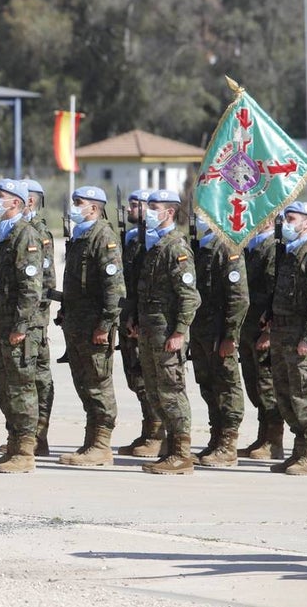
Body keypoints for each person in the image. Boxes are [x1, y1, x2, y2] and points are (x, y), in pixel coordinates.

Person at [127, 190, 201, 475]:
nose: (148, 211)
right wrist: (134, 318)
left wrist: (180, 331)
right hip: (150, 331)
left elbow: (188, 296)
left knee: (172, 392)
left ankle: (182, 454)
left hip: (168, 333)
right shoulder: (155, 245)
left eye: (154, 207)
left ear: (169, 212)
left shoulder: (175, 247)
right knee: (157, 392)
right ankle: (170, 449)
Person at [264, 201, 307, 475]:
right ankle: (299, 450)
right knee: (284, 394)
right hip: (282, 336)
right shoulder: (290, 252)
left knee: (304, 394)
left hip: (302, 340)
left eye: (291, 218)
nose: (285, 223)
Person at [59, 186, 124, 467]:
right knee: (84, 384)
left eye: (79, 202)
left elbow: (114, 288)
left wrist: (105, 325)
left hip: (94, 327)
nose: (74, 206)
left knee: (99, 384)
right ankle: (90, 442)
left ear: (94, 208)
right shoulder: (80, 236)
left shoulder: (103, 236)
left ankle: (101, 445)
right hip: (77, 325)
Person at [0, 179, 42, 473]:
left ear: (15, 203)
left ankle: (26, 451)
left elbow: (30, 288)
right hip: (0, 324)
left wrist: (20, 325)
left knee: (21, 387)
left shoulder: (24, 235)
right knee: (4, 386)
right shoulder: (4, 235)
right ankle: (14, 444)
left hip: (16, 328)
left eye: (1, 196)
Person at [188, 214, 249, 466]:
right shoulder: (201, 247)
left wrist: (230, 337)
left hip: (219, 334)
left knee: (227, 385)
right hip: (201, 331)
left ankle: (228, 444)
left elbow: (239, 299)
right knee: (208, 385)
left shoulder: (227, 248)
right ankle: (216, 438)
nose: (199, 218)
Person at [117, 189, 161, 457]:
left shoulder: (155, 242)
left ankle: (158, 433)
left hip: (148, 318)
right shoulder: (133, 239)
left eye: (136, 204)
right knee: (136, 377)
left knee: (150, 378)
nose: (131, 208)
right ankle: (148, 430)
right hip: (131, 314)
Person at [237, 220, 283, 459]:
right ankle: (262, 436)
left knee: (268, 387)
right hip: (248, 327)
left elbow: (276, 293)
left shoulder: (275, 248)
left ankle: (274, 441)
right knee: (255, 385)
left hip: (263, 328)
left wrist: (268, 332)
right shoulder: (250, 247)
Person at [23, 178, 57, 456]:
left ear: (30, 201)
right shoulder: (17, 230)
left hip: (34, 319)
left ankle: (38, 434)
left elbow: (44, 282)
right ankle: (28, 433)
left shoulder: (38, 233)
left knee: (38, 377)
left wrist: (34, 319)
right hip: (23, 317)